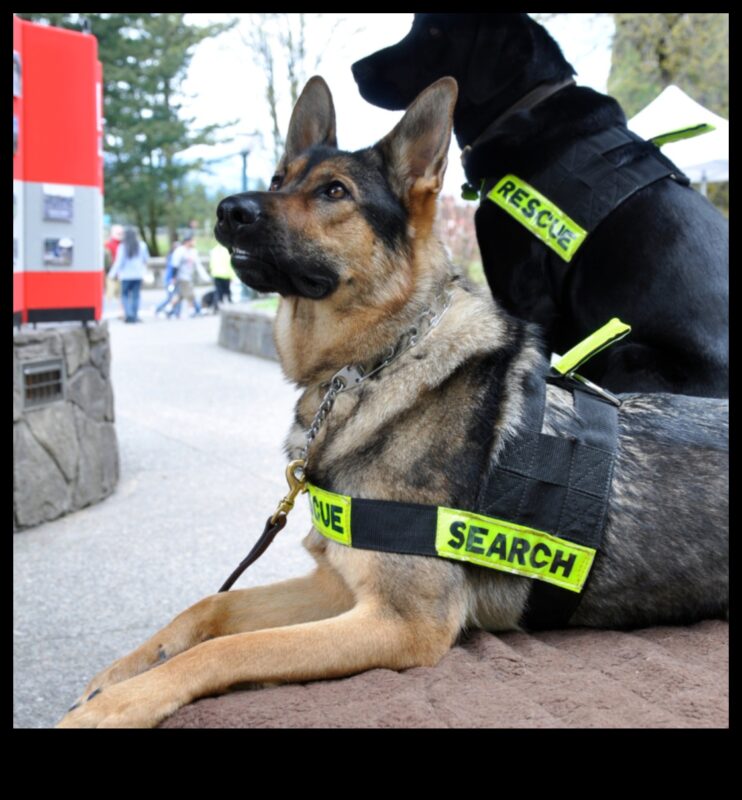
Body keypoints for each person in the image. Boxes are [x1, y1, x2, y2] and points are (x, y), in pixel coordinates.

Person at [108, 226, 149, 323]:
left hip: (125, 276)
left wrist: (112, 274)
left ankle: (129, 314)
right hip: (138, 275)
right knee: (136, 296)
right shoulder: (142, 245)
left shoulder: (123, 246)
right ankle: (134, 315)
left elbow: (119, 262)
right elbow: (146, 259)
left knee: (125, 295)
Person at [166, 234, 209, 318]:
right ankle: (191, 311)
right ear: (187, 242)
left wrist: (206, 277)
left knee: (180, 295)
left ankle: (168, 308)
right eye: (192, 240)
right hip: (182, 277)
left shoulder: (193, 252)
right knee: (190, 294)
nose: (194, 242)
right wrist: (173, 278)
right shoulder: (180, 251)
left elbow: (198, 266)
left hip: (188, 276)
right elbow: (175, 265)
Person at [155, 238, 183, 318]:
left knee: (178, 296)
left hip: (176, 279)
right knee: (171, 298)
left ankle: (176, 313)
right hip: (171, 280)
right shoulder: (172, 258)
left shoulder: (173, 257)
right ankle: (158, 309)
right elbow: (172, 270)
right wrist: (172, 279)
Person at [209, 243, 237, 311]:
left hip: (216, 274)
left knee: (218, 292)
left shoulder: (214, 250)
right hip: (226, 274)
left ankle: (217, 307)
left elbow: (211, 263)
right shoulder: (229, 249)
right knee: (227, 291)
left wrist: (212, 272)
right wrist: (233, 275)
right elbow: (232, 262)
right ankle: (230, 307)